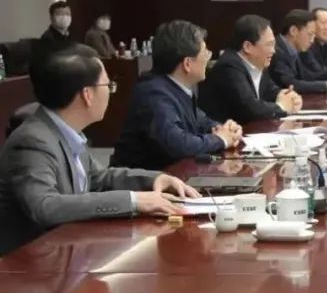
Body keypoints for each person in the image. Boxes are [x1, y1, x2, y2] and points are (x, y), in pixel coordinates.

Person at [0, 44, 198, 255]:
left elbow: (98, 178)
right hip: (28, 265)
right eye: (108, 85)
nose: (111, 93)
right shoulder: (33, 141)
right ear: (87, 94)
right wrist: (133, 201)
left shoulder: (64, 130)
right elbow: (45, 205)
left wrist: (155, 179)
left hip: (67, 250)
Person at [111, 20, 244, 171]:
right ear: (187, 63)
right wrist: (220, 140)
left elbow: (200, 120)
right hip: (140, 182)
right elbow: (178, 144)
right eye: (205, 53)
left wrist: (224, 129)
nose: (209, 57)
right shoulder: (154, 94)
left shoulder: (177, 87)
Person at [199, 14, 303, 124]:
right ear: (247, 47)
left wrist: (288, 96)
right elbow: (250, 108)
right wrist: (281, 106)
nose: (273, 50)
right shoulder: (228, 67)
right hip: (225, 130)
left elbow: (270, 91)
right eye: (269, 45)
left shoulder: (258, 62)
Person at [269, 10, 327, 95]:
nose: (312, 40)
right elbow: (291, 85)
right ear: (293, 31)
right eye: (310, 34)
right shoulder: (277, 52)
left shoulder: (293, 49)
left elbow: (307, 75)